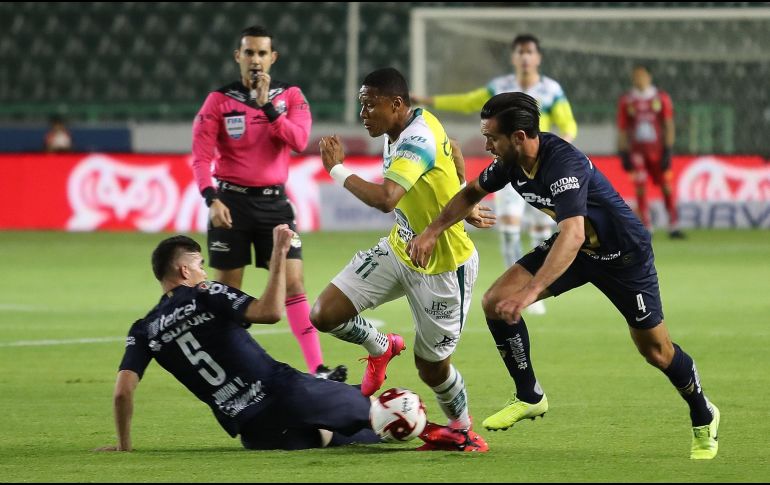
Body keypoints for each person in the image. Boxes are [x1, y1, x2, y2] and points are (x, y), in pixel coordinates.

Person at [407, 92, 720, 459]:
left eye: (492, 137)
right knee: (494, 303)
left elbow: (572, 234)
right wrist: (431, 232)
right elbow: (472, 192)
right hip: (578, 251)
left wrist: (528, 295)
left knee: (656, 351)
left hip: (624, 257)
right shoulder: (510, 162)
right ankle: (529, 395)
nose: (487, 144)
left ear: (519, 137)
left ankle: (703, 412)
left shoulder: (563, 164)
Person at [311, 67, 494, 452]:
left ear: (396, 104)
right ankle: (381, 345)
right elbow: (456, 150)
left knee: (431, 367)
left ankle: (462, 429)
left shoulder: (417, 138)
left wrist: (336, 169)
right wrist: (463, 199)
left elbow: (386, 199)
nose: (363, 114)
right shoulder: (408, 125)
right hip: (401, 248)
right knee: (324, 313)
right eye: (361, 105)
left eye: (369, 105)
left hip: (444, 268)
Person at [96, 227, 381, 452]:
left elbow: (123, 391)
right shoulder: (205, 293)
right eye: (199, 265)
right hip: (287, 393)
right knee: (382, 407)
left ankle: (334, 431)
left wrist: (124, 445)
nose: (203, 272)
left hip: (256, 431)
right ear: (185, 271)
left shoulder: (144, 329)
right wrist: (279, 254)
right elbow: (270, 312)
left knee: (339, 436)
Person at [191, 25, 343, 379]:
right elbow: (200, 157)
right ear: (238, 57)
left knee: (294, 282)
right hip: (231, 202)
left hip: (276, 205)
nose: (255, 60)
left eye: (262, 53)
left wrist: (268, 109)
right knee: (229, 292)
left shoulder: (289, 97)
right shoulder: (219, 101)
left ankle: (317, 367)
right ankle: (232, 367)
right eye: (249, 53)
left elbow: (300, 140)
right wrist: (211, 198)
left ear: (272, 57)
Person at [412, 34, 579, 315]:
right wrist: (427, 99)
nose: (525, 57)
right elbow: (467, 102)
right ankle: (513, 286)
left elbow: (568, 125)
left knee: (543, 232)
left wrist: (560, 155)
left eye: (530, 52)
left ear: (537, 57)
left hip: (545, 170)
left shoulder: (552, 90)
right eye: (520, 52)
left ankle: (534, 289)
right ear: (514, 57)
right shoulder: (500, 87)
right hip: (511, 166)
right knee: (510, 227)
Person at [617, 64, 684, 239]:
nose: (638, 79)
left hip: (658, 150)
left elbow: (668, 124)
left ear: (649, 77)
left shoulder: (661, 98)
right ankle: (647, 227)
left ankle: (673, 225)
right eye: (635, 76)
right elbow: (623, 128)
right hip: (637, 151)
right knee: (640, 187)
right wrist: (623, 153)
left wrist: (668, 150)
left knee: (666, 187)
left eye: (641, 75)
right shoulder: (627, 100)